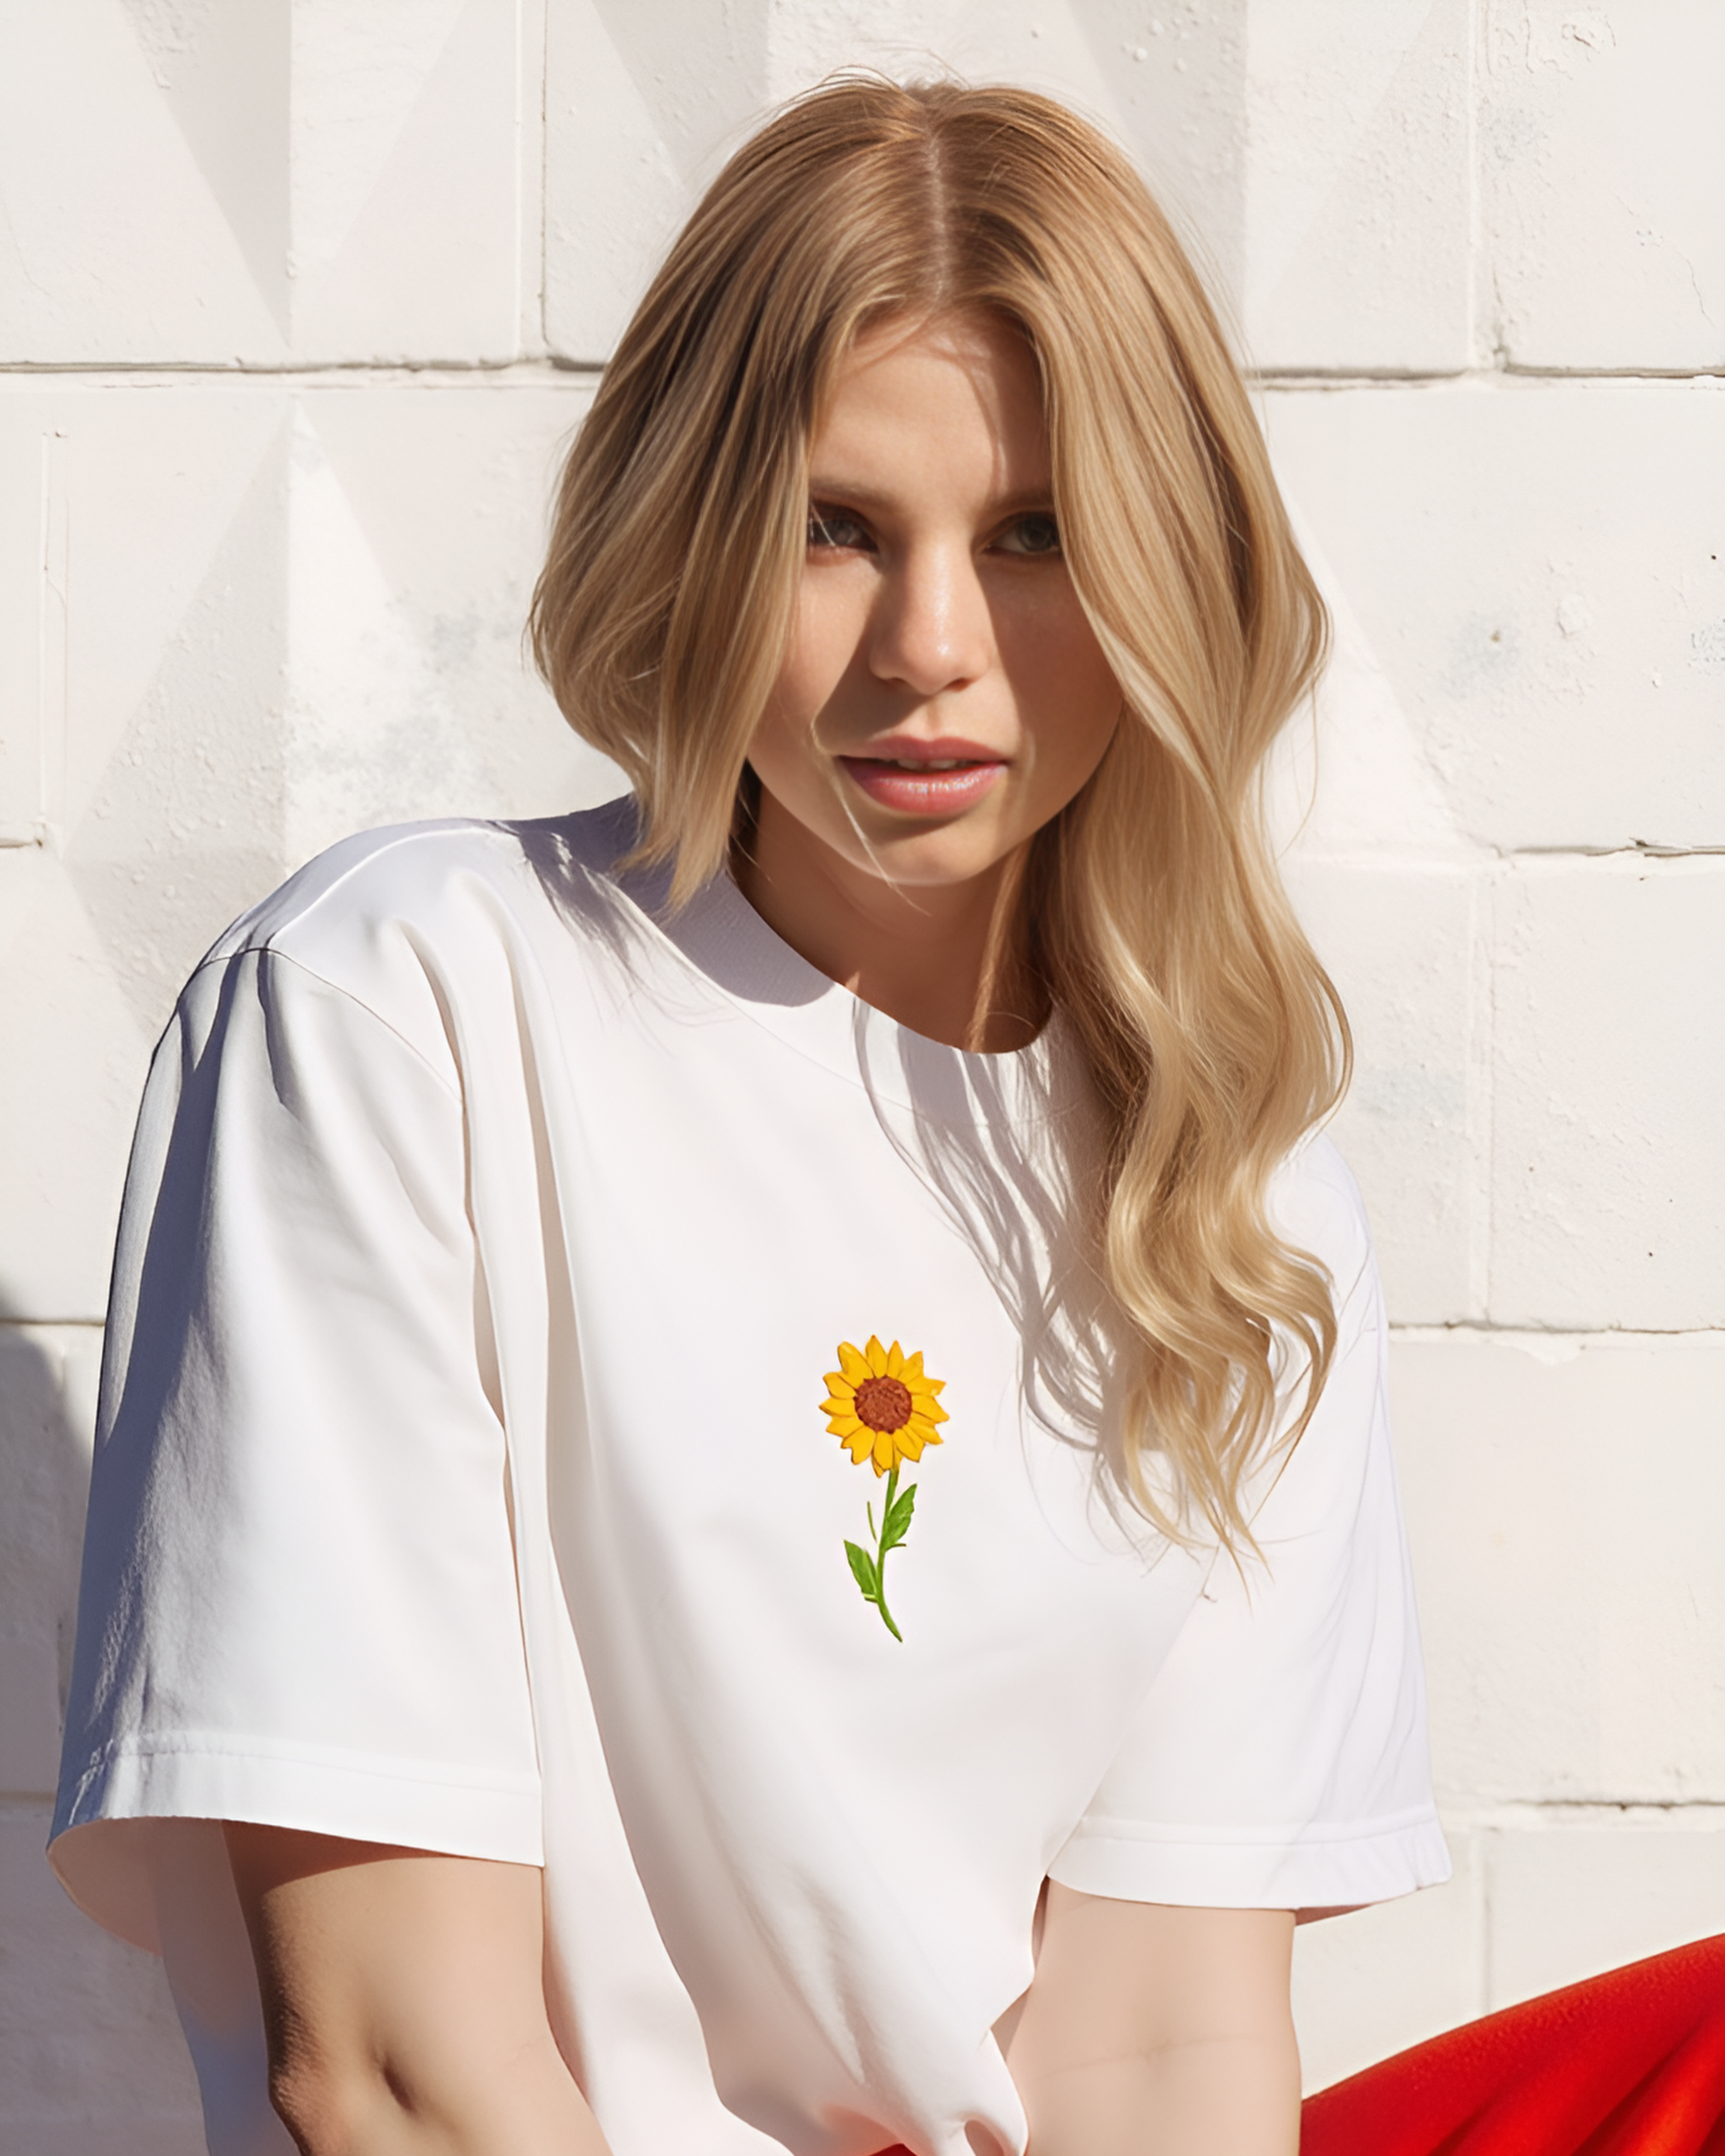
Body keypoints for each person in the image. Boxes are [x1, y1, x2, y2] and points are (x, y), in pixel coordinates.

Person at [50, 78, 1450, 2156]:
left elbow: (1162, 2058)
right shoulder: (402, 1008)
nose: (934, 653)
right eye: (834, 526)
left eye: (1040, 534)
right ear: (692, 532)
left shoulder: (1237, 1207)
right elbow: (391, 2066)